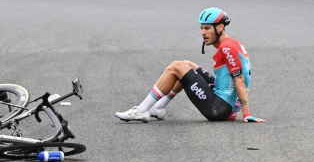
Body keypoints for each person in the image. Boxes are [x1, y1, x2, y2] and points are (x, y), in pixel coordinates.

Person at [114, 7, 266, 123]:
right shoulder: (232, 44)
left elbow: (239, 79)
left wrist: (247, 113)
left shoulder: (226, 48)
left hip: (218, 109)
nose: (202, 33)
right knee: (186, 65)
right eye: (201, 28)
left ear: (220, 27)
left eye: (207, 28)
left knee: (176, 67)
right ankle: (158, 108)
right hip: (227, 104)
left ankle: (141, 110)